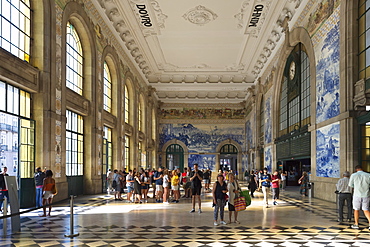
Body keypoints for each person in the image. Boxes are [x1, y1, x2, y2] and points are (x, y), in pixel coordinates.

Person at [349, 165, 370, 229]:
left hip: (357, 194)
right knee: (366, 209)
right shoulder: (368, 175)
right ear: (362, 169)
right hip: (366, 194)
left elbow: (350, 185)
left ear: (356, 169)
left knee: (356, 209)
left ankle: (356, 223)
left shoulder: (353, 175)